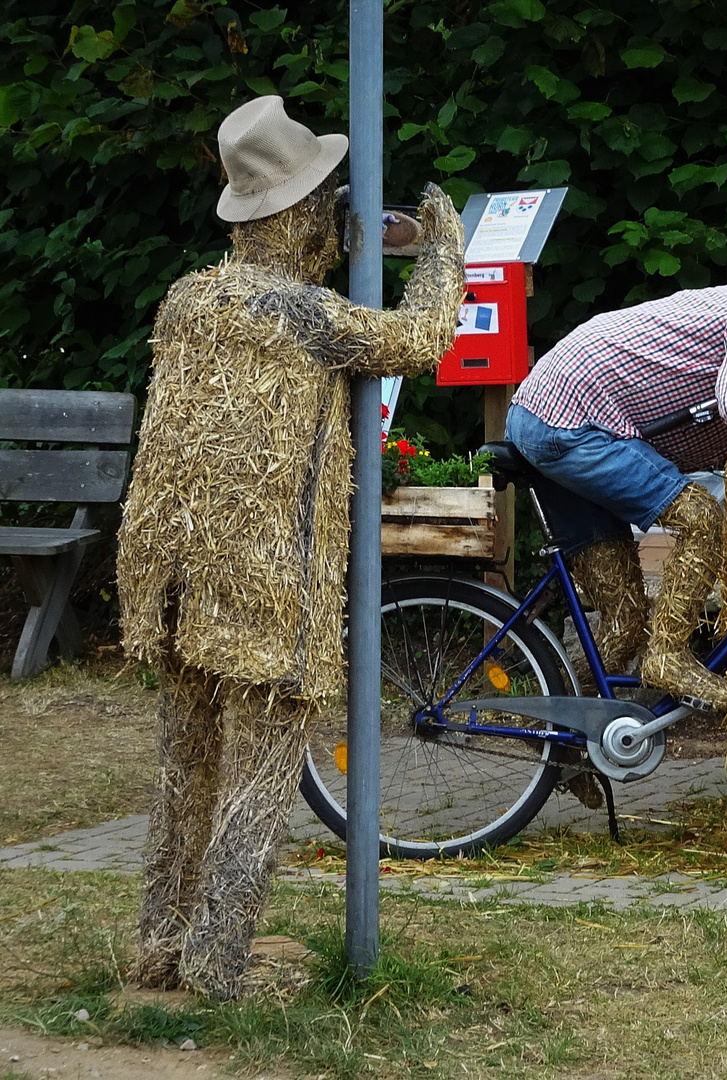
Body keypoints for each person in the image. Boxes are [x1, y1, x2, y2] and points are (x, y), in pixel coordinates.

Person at [116, 95, 464, 998]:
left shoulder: (189, 300)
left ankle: (159, 941)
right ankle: (218, 959)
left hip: (178, 575)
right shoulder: (302, 314)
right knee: (264, 769)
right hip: (272, 581)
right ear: (303, 212)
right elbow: (421, 342)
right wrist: (443, 248)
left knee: (184, 763)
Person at [507, 281, 727, 712]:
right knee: (701, 517)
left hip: (541, 411)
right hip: (573, 421)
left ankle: (553, 734)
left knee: (623, 625)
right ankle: (670, 656)